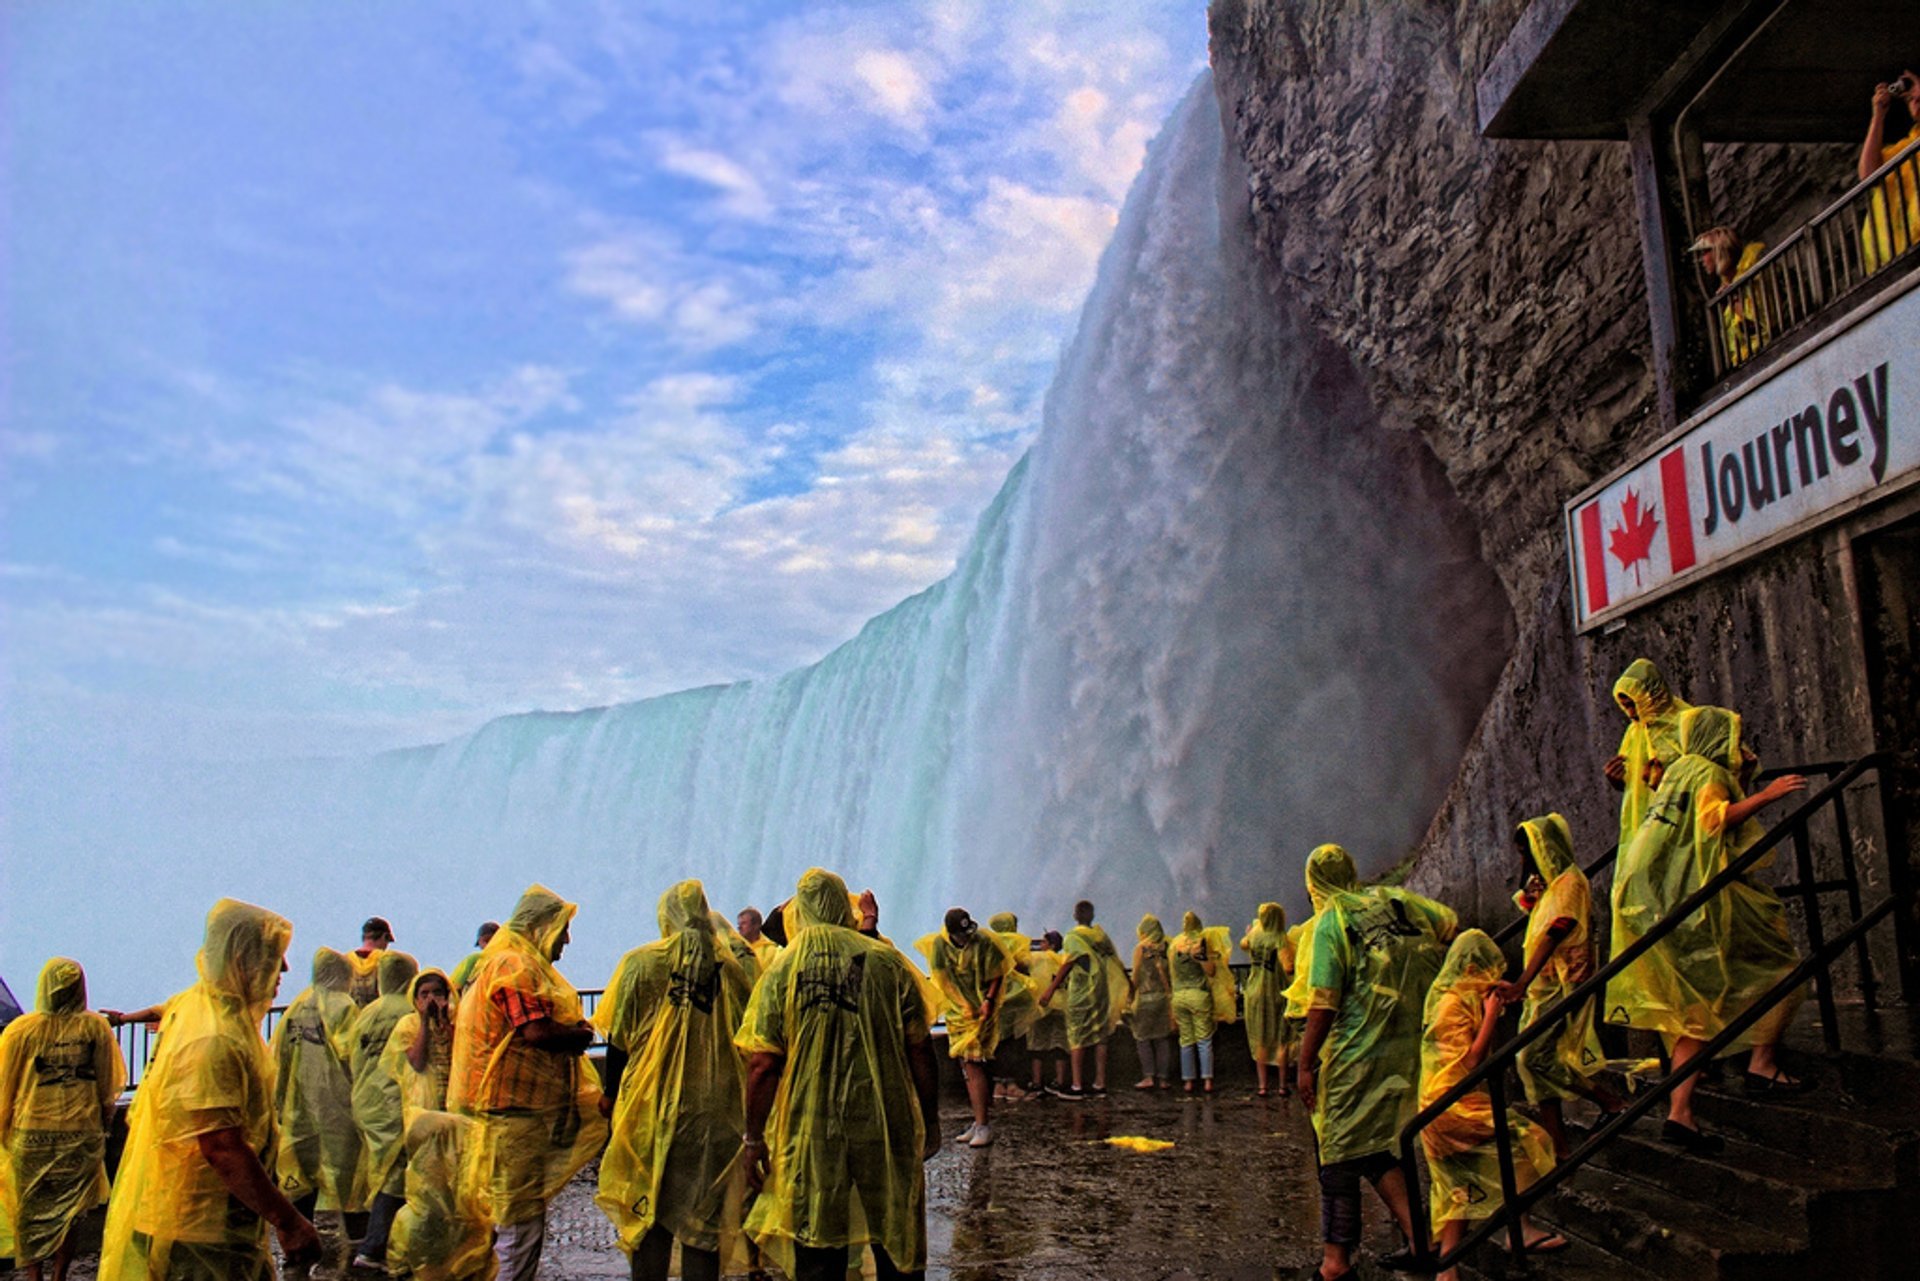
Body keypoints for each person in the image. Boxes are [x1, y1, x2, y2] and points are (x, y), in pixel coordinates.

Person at [1608, 706, 1809, 1154]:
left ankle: (1681, 1114)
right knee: (1784, 972)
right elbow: (1713, 819)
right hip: (1696, 902)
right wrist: (1768, 795)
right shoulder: (1708, 774)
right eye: (1735, 738)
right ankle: (1762, 1064)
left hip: (1657, 904)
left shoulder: (1680, 769)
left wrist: (1747, 775)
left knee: (1698, 1012)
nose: (1740, 749)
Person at [99, 899, 322, 1280]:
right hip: (197, 1227)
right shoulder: (213, 1037)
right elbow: (222, 1147)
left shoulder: (200, 1008)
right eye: (273, 955)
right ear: (242, 958)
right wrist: (289, 1222)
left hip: (204, 1218)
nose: (284, 968)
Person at [737, 868, 940, 1281]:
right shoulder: (887, 961)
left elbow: (763, 1064)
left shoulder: (781, 968)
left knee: (816, 1236)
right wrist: (930, 1118)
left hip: (811, 1124)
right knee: (895, 1235)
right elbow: (919, 1047)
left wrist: (753, 1138)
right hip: (884, 1117)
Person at [1296, 845, 1457, 1281]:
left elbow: (1324, 1001)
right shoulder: (1399, 899)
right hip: (1407, 1047)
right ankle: (1419, 1241)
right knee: (1379, 1148)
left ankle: (1335, 1263)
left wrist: (1305, 1062)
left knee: (1337, 1150)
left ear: (1314, 883)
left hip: (1356, 1053)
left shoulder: (1333, 920)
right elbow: (1450, 925)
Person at [596, 880, 753, 1281]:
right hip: (714, 1114)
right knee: (703, 1227)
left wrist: (611, 1096)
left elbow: (618, 1040)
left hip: (650, 1109)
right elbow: (747, 1041)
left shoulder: (640, 963)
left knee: (649, 1216)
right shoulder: (731, 971)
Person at [449, 885, 608, 1281]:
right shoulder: (515, 966)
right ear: (540, 926)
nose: (566, 940)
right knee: (518, 1226)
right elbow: (535, 1032)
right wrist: (580, 1036)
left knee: (505, 1221)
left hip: (501, 1112)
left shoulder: (499, 962)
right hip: (510, 1114)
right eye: (562, 929)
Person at [1419, 931, 1563, 1280]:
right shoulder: (1453, 1005)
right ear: (1470, 967)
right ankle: (1521, 1228)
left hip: (1437, 1108)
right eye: (1486, 971)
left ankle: (1447, 1270)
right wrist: (1490, 1015)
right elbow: (1469, 1062)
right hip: (1453, 1108)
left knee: (1460, 1190)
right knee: (1531, 1140)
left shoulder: (1453, 997)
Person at [1495, 815, 1622, 1159]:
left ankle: (1609, 1101)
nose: (1524, 860)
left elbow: (1557, 929)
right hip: (1542, 987)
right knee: (1531, 1065)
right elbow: (1538, 920)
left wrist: (1522, 981)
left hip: (1563, 985)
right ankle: (1559, 1146)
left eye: (1527, 852)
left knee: (1534, 1057)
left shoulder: (1570, 883)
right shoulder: (1551, 887)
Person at [0, 959, 124, 1281]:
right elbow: (107, 1085)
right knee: (70, 1214)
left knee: (30, 1212)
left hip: (31, 1135)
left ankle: (33, 1276)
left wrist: (3, 1129)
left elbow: (5, 1086)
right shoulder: (95, 1027)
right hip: (80, 1135)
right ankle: (59, 1276)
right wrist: (104, 1126)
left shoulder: (21, 1031)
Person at [269, 947, 364, 1252]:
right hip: (335, 1104)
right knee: (347, 1171)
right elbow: (353, 1055)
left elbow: (280, 1054)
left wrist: (281, 1097)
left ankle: (301, 1234)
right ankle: (356, 1239)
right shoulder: (344, 1005)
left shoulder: (297, 1006)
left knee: (300, 1170)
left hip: (299, 1103)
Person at [916, 909, 1019, 1148]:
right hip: (959, 1014)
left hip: (981, 1013)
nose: (966, 938)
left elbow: (997, 973)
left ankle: (983, 1125)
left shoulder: (983, 941)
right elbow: (944, 982)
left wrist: (988, 1001)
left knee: (974, 1065)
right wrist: (964, 1006)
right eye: (961, 935)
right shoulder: (940, 948)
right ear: (951, 933)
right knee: (966, 1065)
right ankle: (978, 1120)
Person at [349, 948, 422, 1270]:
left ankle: (386, 1243)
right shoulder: (410, 1014)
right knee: (398, 1176)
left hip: (367, 1104)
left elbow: (352, 1056)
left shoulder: (366, 1013)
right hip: (398, 1103)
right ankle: (375, 1247)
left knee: (380, 1172)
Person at [1035, 901, 1127, 1098]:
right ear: (1092, 916)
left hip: (1081, 991)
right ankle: (1099, 1083)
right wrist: (1129, 985)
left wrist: (1050, 990)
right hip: (1101, 992)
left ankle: (1076, 1086)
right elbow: (1114, 960)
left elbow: (1068, 963)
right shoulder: (1101, 936)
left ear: (1075, 915)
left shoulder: (1073, 937)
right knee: (1100, 1035)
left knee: (1077, 1035)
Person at [1605, 658, 1694, 862]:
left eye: (1633, 705)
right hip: (1646, 823)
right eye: (1625, 706)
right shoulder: (1634, 733)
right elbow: (1635, 785)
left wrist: (1665, 783)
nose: (1631, 713)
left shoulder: (1686, 723)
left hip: (1684, 821)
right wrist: (1618, 780)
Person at [1169, 912, 1235, 1095]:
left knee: (1186, 1041)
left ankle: (1188, 1082)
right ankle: (1207, 1081)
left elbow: (1172, 972)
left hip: (1179, 997)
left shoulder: (1175, 944)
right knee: (1204, 1041)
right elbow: (1211, 971)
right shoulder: (1200, 942)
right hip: (1198, 995)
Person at [1860, 71, 1920, 273]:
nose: (1915, 101)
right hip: (1901, 254)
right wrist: (1879, 115)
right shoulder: (1908, 146)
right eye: (1910, 99)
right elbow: (1868, 174)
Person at [1690, 226, 1769, 368]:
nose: (1702, 260)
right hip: (1747, 362)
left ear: (1719, 251)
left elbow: (1759, 328)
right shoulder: (1727, 287)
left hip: (1764, 355)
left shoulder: (1752, 277)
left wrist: (1735, 302)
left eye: (1705, 252)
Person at [1241, 902, 1295, 1098]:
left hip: (1254, 991)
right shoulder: (1279, 938)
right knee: (1282, 1039)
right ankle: (1281, 1086)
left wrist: (1249, 932)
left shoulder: (1255, 935)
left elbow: (1243, 944)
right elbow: (1288, 966)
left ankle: (1262, 1086)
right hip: (1275, 992)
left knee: (1260, 1039)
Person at [984, 913, 1036, 1102]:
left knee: (996, 1042)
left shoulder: (989, 942)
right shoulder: (1017, 940)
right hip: (1015, 999)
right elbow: (1024, 964)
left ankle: (998, 1086)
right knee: (1014, 1043)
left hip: (995, 998)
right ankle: (1012, 1086)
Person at [1130, 915, 1177, 1091]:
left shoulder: (1141, 949)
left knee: (1142, 1039)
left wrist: (1128, 995)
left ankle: (1148, 1077)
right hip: (1164, 1000)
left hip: (1145, 998)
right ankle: (1163, 1079)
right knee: (1162, 1040)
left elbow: (1135, 976)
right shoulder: (1168, 946)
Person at [1023, 933, 1071, 1096]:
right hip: (1062, 1005)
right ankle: (1060, 1081)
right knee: (1060, 1044)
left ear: (1050, 944)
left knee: (1037, 1044)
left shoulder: (1037, 957)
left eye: (1043, 941)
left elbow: (1019, 963)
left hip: (1041, 1006)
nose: (1040, 945)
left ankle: (1037, 1083)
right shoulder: (1064, 959)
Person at [349, 916, 397, 1007]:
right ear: (385, 936)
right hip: (378, 1017)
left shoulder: (345, 961)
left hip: (350, 1018)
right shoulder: (388, 961)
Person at [449, 923, 499, 996]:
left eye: (494, 940)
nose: (490, 945)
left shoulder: (475, 959)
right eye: (487, 941)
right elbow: (455, 988)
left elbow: (455, 987)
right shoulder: (475, 959)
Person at [737, 907, 783, 976]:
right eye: (739, 924)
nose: (739, 927)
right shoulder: (736, 950)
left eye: (743, 923)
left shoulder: (773, 951)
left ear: (756, 925)